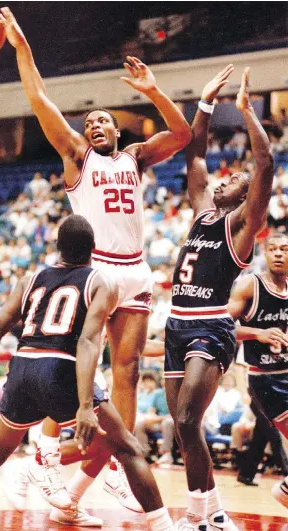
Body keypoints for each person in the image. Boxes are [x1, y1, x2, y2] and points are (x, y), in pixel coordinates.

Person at [0, 6, 192, 511]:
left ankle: (118, 468)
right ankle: (42, 448)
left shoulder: (135, 157)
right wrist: (23, 49)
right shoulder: (77, 159)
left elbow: (183, 134)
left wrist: (152, 90)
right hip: (96, 269)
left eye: (104, 119)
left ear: (119, 131)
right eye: (89, 122)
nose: (96, 124)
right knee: (70, 363)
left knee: (124, 371)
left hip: (135, 268)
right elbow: (39, 98)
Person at [0, 215, 176, 531]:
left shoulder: (29, 279)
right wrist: (85, 405)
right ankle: (165, 526)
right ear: (94, 247)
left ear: (57, 247)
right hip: (61, 370)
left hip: (22, 368)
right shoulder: (101, 281)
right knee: (127, 447)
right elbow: (88, 342)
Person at [164, 63, 275, 531]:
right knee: (187, 432)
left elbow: (265, 164)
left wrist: (247, 112)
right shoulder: (203, 212)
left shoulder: (241, 229)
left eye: (235, 181)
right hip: (174, 324)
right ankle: (215, 512)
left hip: (210, 326)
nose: (224, 179)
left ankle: (194, 518)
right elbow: (194, 156)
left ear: (247, 197)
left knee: (189, 419)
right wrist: (205, 104)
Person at [228, 232, 288, 508]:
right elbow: (220, 324)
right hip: (266, 380)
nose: (278, 253)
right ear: (265, 253)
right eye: (273, 249)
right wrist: (257, 333)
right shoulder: (249, 285)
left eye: (284, 249)